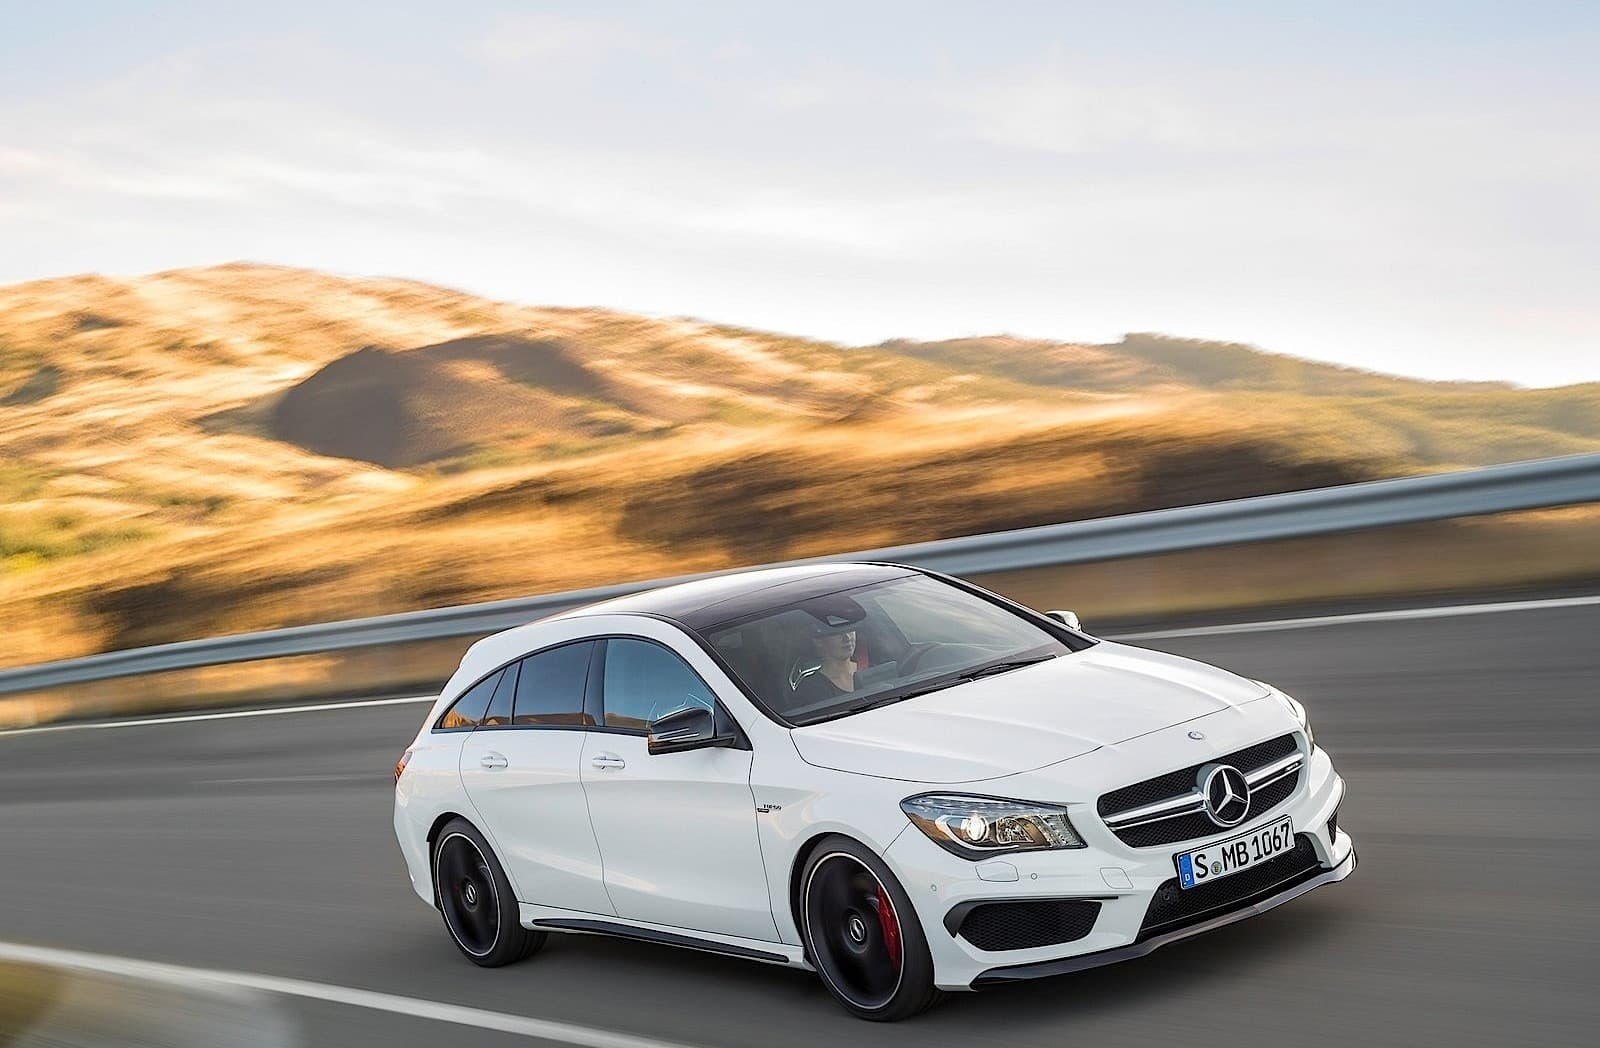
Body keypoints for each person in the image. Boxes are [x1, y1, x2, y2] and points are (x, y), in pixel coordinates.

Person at [793, 626, 858, 704]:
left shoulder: (872, 669)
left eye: (850, 629)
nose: (847, 637)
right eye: (837, 632)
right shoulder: (812, 688)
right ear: (818, 641)